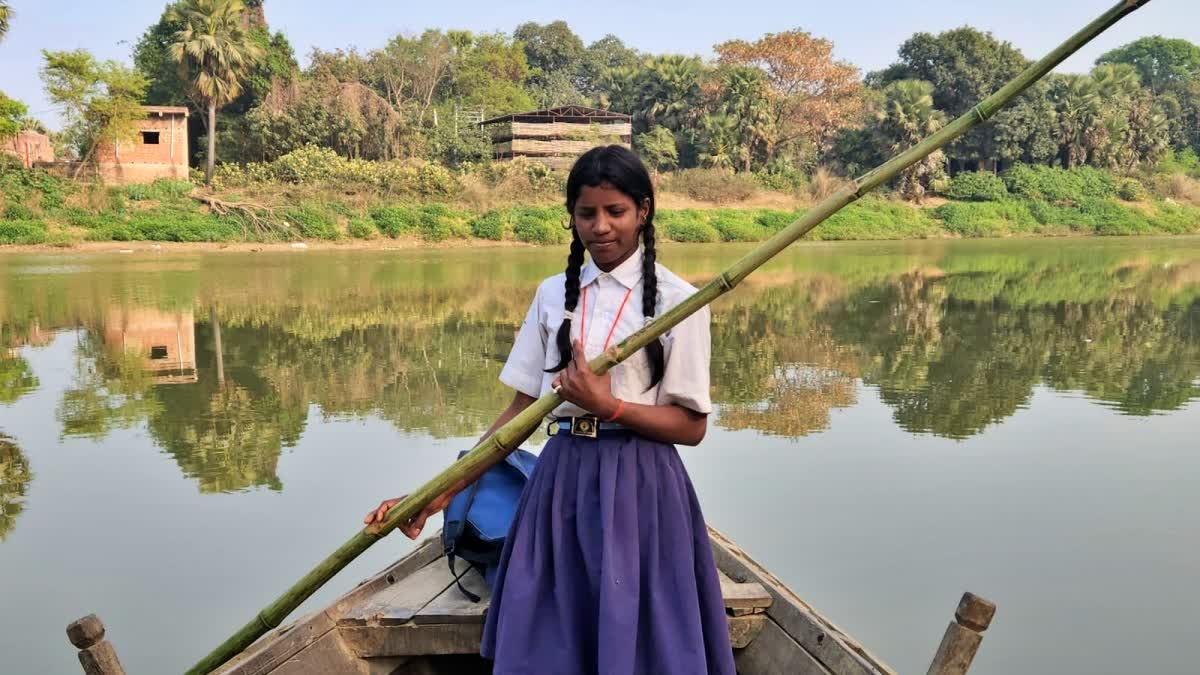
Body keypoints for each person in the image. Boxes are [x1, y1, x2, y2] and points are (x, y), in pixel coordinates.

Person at [365, 145, 735, 674]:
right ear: (572, 217)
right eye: (587, 213)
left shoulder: (680, 300)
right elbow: (518, 416)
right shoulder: (553, 296)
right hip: (561, 484)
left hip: (641, 490)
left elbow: (691, 427)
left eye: (616, 212)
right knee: (551, 639)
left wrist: (609, 406)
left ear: (643, 212)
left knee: (641, 640)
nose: (601, 227)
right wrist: (434, 497)